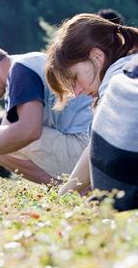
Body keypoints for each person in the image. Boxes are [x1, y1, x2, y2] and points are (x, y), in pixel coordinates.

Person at [0, 41, 93, 185]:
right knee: (0, 140)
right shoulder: (24, 66)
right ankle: (70, 189)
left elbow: (29, 131)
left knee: (0, 138)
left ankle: (72, 190)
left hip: (85, 148)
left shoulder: (20, 69)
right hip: (90, 148)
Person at [45, 13, 138, 211]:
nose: (77, 92)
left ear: (97, 56)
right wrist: (66, 193)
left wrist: (62, 198)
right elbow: (97, 146)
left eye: (75, 78)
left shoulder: (119, 78)